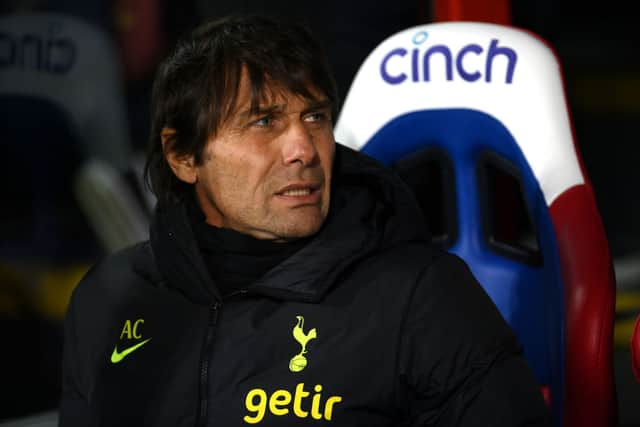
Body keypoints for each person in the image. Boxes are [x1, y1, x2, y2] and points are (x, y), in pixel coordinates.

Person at [59, 15, 552, 426]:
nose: (303, 149)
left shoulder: (422, 296)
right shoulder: (110, 298)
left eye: (314, 117)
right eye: (264, 121)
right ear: (183, 155)